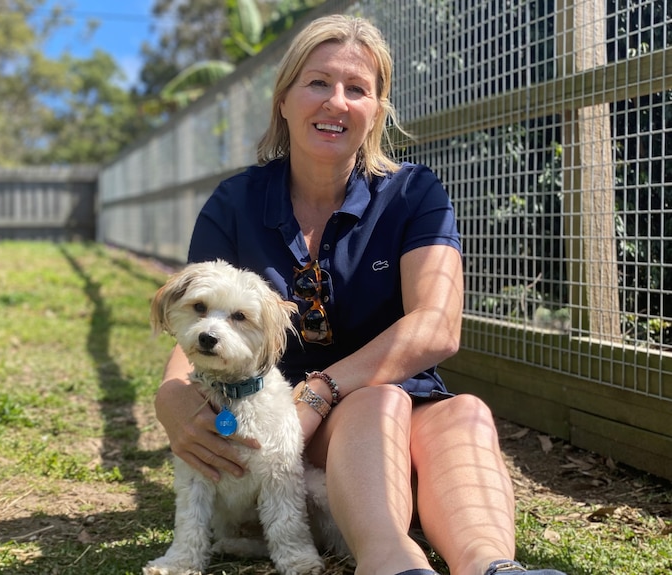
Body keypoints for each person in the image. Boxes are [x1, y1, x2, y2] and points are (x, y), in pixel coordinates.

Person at [153, 14, 567, 575]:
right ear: (284, 100)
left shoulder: (412, 193)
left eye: (358, 89)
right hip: (283, 420)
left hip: (379, 401)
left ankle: (492, 566)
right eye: (318, 82)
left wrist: (322, 389)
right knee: (377, 403)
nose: (337, 102)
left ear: (376, 111)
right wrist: (171, 395)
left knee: (465, 411)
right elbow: (201, 320)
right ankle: (393, 564)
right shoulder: (235, 203)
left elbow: (438, 325)